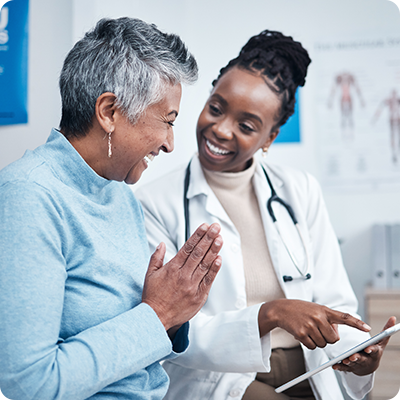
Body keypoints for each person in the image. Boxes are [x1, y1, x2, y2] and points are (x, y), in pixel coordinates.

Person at [136, 30, 395, 400]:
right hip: (218, 379)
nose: (220, 129)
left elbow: (335, 301)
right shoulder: (155, 202)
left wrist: (356, 353)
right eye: (216, 107)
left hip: (312, 368)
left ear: (270, 138)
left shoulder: (299, 190)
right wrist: (269, 314)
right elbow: (169, 328)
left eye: (246, 126)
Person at [0, 17, 224, 399]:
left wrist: (176, 309)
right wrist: (158, 315)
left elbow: (137, 333)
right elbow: (25, 386)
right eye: (167, 121)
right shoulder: (29, 198)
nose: (170, 143)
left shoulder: (118, 193)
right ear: (109, 112)